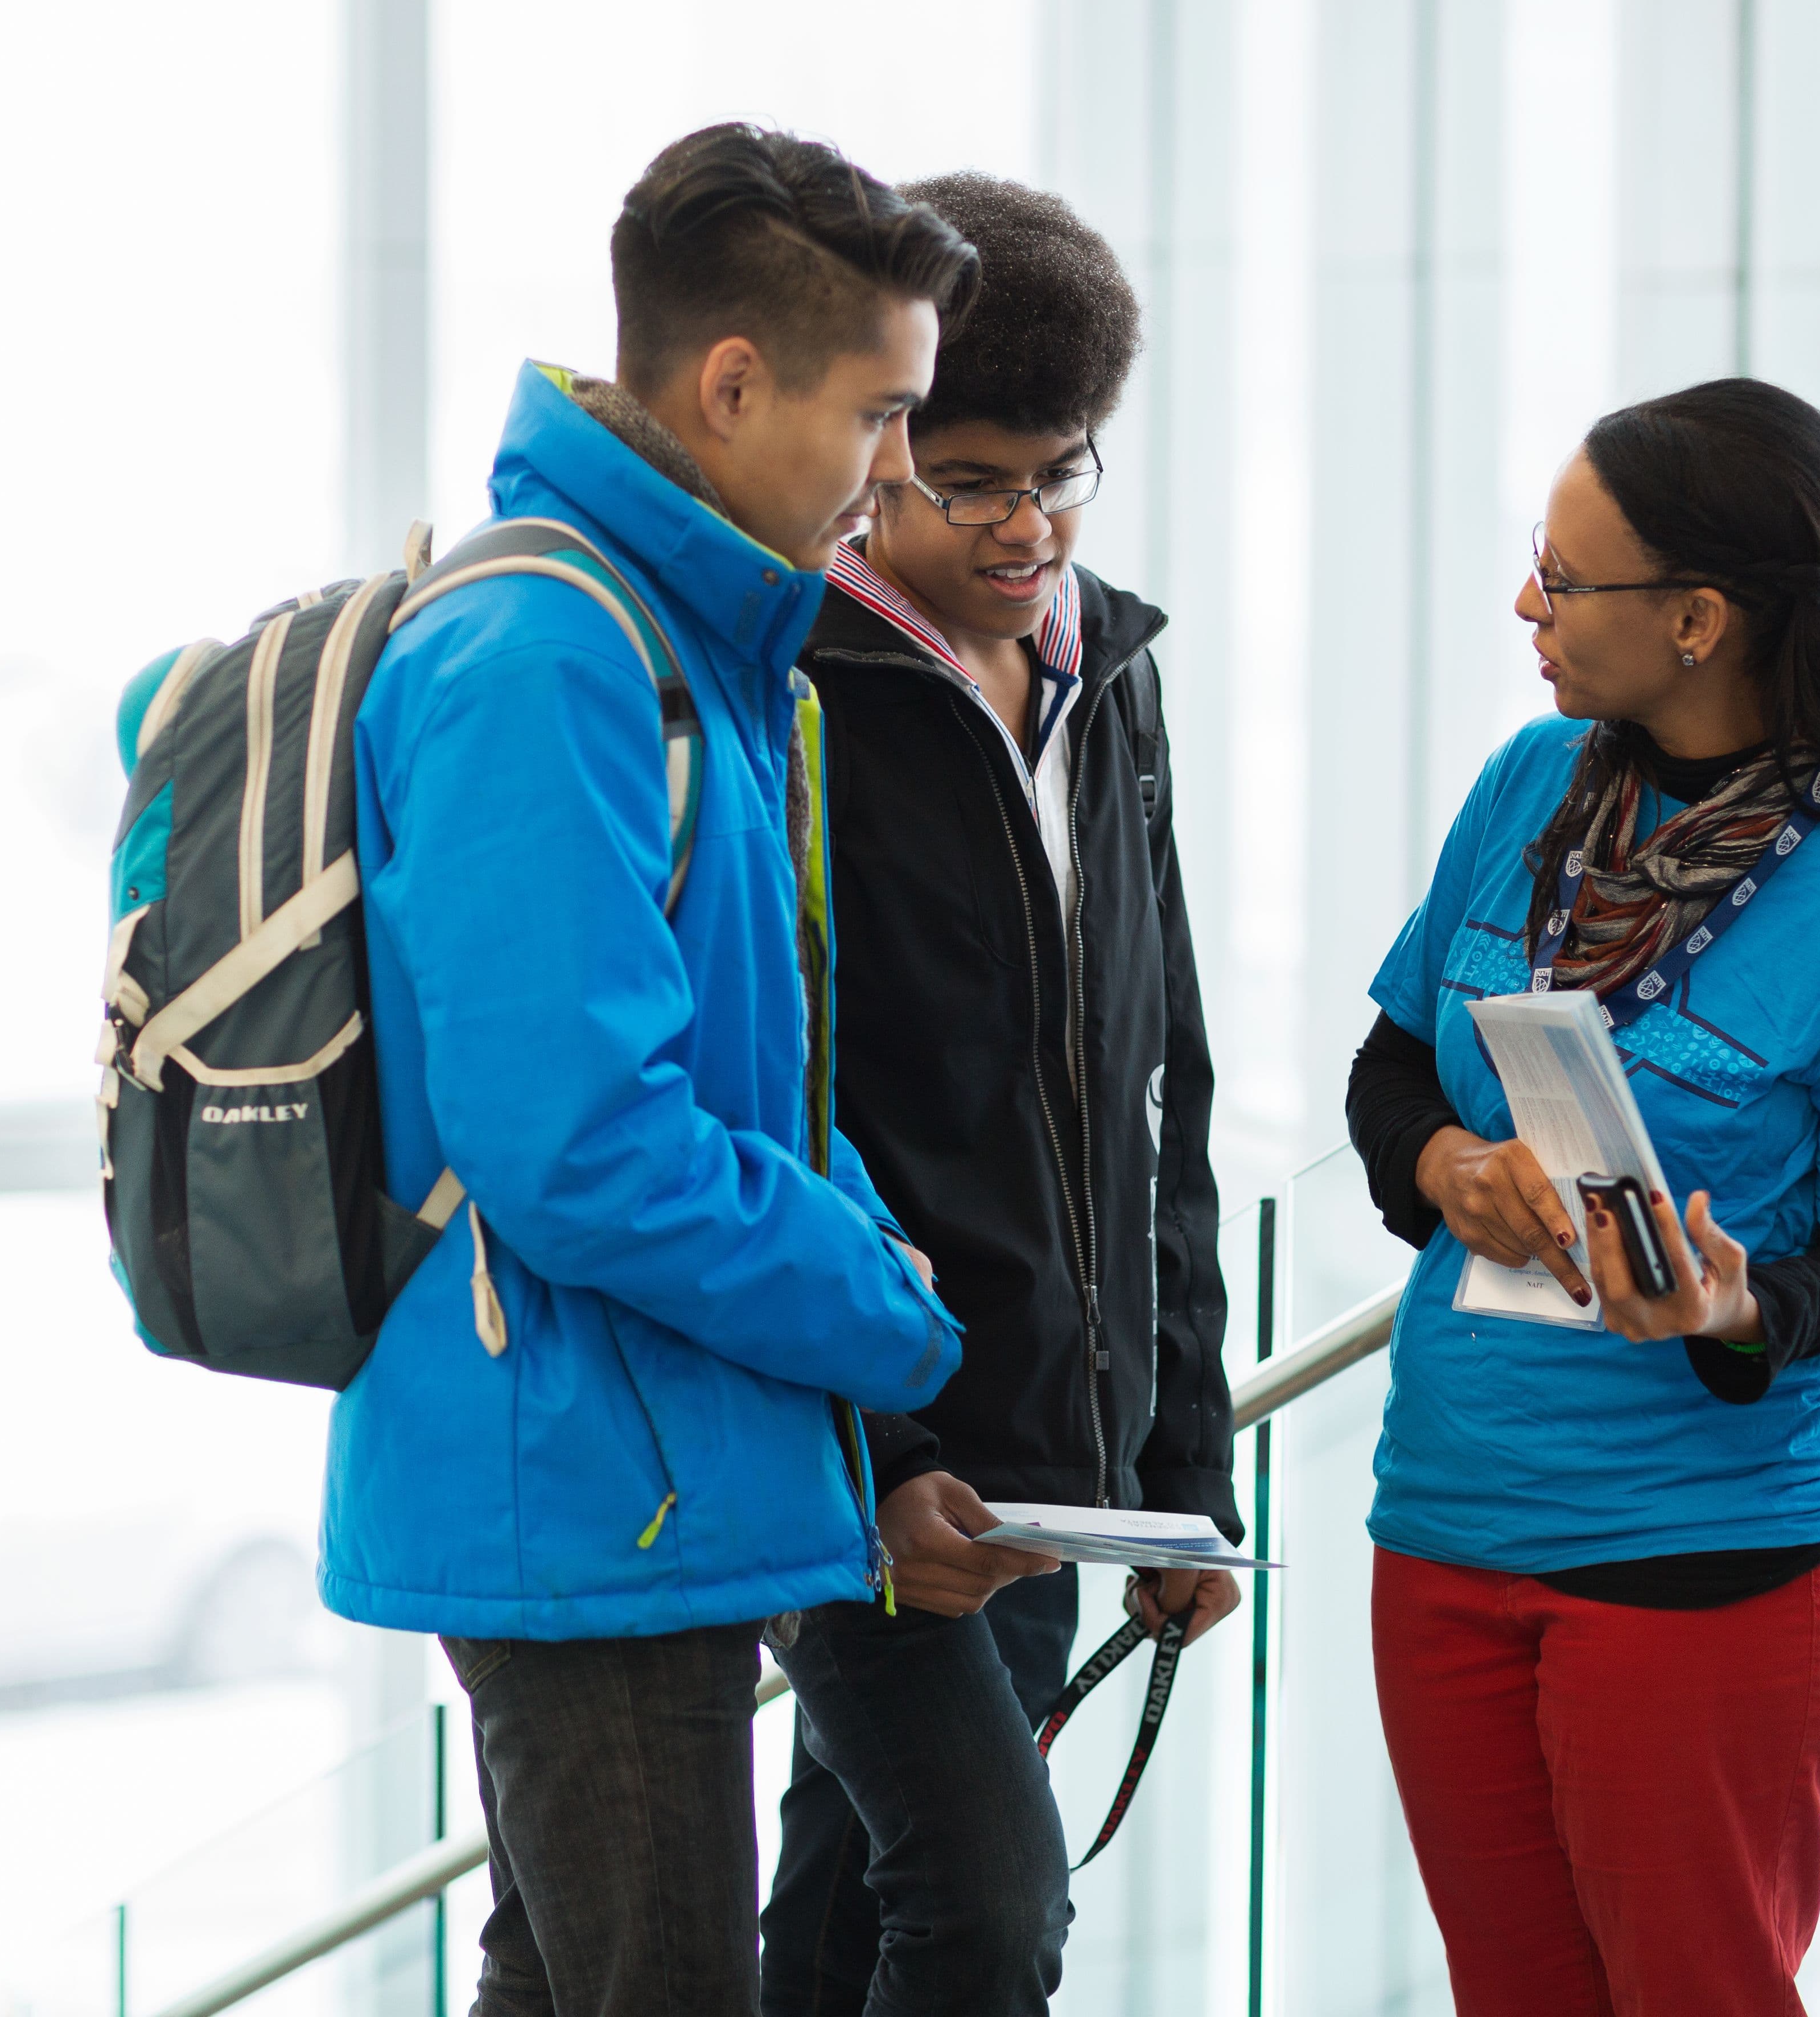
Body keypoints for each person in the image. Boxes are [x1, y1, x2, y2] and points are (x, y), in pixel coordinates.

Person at [323, 124, 978, 2017]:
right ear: (731, 380)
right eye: (880, 416)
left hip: (632, 1462)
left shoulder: (687, 643)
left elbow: (750, 1085)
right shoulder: (553, 652)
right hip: (589, 1476)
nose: (895, 478)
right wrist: (888, 1310)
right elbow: (585, 1147)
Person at [1344, 377, 1820, 2017]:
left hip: (1710, 1564)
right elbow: (1389, 1071)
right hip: (1447, 1518)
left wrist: (1730, 1308)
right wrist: (1446, 1165)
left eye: (1563, 579)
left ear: (1698, 618)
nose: (1526, 605)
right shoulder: (1532, 785)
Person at [765, 173, 1238, 2017]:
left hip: (1066, 1462)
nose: (1028, 523)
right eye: (971, 478)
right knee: (985, 1910)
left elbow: (1161, 1094)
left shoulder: (1105, 676)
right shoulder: (792, 685)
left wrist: (1180, 1464)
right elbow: (779, 1110)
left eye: (1064, 467)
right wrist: (882, 1465)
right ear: (876, 451)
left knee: (841, 1911)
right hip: (874, 1456)